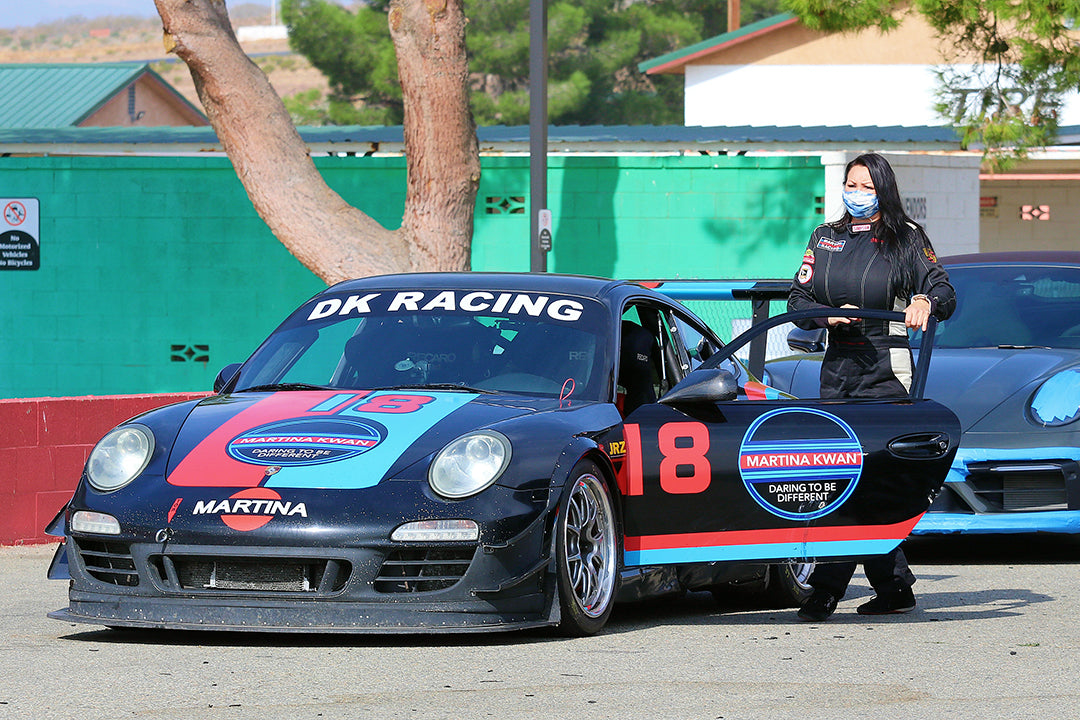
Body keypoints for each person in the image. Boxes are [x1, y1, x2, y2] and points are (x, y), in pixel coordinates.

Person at [788, 152, 956, 622]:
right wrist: (823, 314)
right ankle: (894, 586)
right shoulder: (825, 237)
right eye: (850, 183)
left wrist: (925, 299)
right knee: (834, 480)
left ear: (883, 190)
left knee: (869, 480)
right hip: (837, 366)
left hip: (888, 366)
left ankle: (826, 589)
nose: (856, 192)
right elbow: (797, 296)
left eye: (865, 185)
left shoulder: (907, 238)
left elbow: (944, 291)